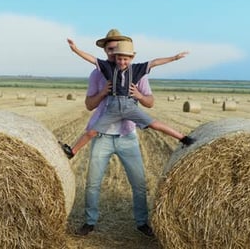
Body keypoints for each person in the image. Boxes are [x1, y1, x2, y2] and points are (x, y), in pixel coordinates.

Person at [69, 29, 155, 237]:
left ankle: (142, 223)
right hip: (102, 136)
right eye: (110, 49)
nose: (113, 53)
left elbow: (150, 102)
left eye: (117, 49)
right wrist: (103, 91)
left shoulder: (137, 73)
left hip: (128, 136)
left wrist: (140, 96)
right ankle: (90, 222)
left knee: (139, 184)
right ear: (106, 51)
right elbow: (89, 105)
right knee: (92, 183)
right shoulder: (97, 73)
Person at [61, 38, 195, 158]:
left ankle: (183, 138)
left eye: (126, 59)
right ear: (115, 57)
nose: (122, 62)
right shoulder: (108, 67)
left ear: (132, 58)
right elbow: (90, 58)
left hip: (130, 107)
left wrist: (174, 58)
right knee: (92, 132)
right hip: (112, 108)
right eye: (119, 58)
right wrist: (75, 50)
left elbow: (155, 62)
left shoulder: (137, 69)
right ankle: (72, 152)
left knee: (154, 124)